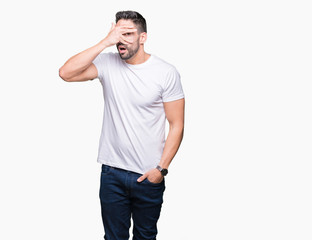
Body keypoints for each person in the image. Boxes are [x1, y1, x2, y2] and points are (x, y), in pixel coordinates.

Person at [59, 10, 185, 240]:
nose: (121, 40)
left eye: (128, 33)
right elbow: (65, 73)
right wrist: (105, 41)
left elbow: (176, 124)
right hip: (112, 174)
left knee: (145, 237)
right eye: (118, 33)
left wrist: (161, 169)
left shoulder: (166, 72)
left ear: (143, 37)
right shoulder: (107, 63)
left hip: (148, 175)